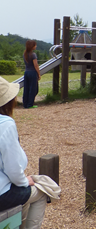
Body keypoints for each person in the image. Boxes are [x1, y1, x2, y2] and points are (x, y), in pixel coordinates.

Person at [0, 76, 49, 228]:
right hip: (2, 193)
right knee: (41, 193)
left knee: (24, 193)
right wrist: (23, 181)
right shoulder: (5, 124)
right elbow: (13, 169)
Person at [23, 40, 41, 109]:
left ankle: (25, 103)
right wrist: (39, 74)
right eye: (35, 45)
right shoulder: (33, 54)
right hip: (32, 72)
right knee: (33, 89)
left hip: (26, 72)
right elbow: (36, 65)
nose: (36, 46)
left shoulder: (24, 54)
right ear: (32, 46)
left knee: (26, 88)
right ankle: (30, 104)